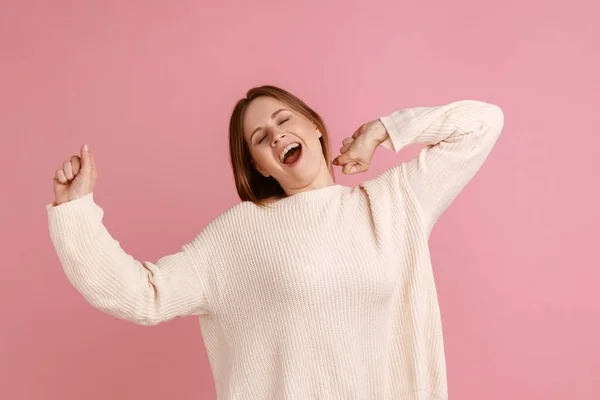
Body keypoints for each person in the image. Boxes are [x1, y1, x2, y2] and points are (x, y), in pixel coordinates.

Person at [47, 85, 504, 399]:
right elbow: (144, 295)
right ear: (261, 166)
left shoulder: (391, 204)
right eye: (260, 138)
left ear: (315, 126)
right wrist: (75, 212)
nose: (276, 134)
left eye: (284, 119)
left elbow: (482, 123)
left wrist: (381, 131)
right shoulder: (237, 235)